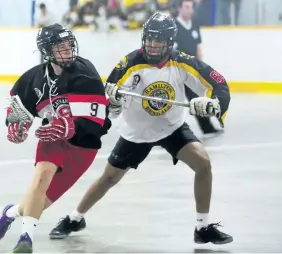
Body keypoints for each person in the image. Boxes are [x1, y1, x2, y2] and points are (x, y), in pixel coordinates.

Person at [49, 12, 233, 245]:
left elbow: (218, 82)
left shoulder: (183, 62)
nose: (152, 45)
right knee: (108, 179)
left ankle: (203, 227)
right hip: (136, 134)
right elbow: (111, 108)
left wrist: (213, 103)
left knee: (203, 164)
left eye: (159, 40)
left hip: (171, 128)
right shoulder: (128, 64)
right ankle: (75, 217)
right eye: (149, 39)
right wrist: (113, 101)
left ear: (169, 42)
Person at [0, 23, 111, 253]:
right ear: (46, 51)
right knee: (42, 175)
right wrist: (16, 125)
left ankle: (11, 213)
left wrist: (71, 129)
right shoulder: (33, 79)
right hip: (51, 135)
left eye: (68, 44)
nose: (67, 50)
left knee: (40, 203)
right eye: (59, 46)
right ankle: (26, 239)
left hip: (84, 146)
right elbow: (16, 111)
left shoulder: (86, 73)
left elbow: (97, 124)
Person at [174, 0, 220, 135]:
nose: (189, 10)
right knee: (170, 103)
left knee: (196, 100)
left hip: (191, 71)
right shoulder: (174, 27)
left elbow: (198, 47)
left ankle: (207, 128)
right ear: (179, 8)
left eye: (191, 7)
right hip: (176, 71)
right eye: (186, 7)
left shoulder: (194, 25)